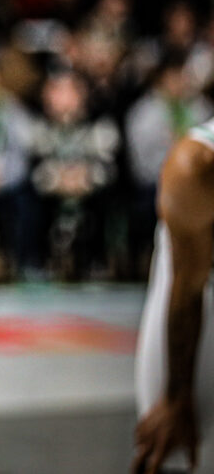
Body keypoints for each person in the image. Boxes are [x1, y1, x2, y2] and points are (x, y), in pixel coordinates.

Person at [133, 117, 214, 474]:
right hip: (196, 287)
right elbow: (188, 288)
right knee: (172, 445)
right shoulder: (195, 165)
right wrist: (177, 397)